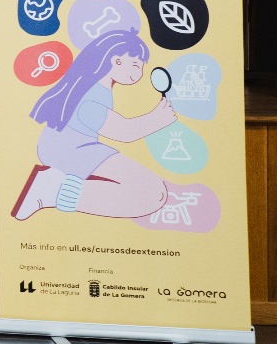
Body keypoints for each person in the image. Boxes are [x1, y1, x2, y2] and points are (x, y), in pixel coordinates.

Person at [14, 27, 217, 230]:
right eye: (137, 65)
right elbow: (123, 132)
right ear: (116, 60)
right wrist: (157, 119)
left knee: (153, 192)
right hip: (69, 149)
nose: (140, 73)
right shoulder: (91, 95)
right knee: (152, 194)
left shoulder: (95, 88)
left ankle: (53, 188)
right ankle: (51, 190)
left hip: (71, 146)